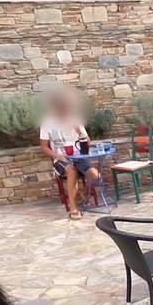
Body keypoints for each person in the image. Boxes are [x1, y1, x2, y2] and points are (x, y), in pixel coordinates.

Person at [39, 88, 100, 220]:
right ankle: (73, 207)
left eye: (66, 106)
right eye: (62, 106)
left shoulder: (75, 119)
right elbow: (43, 147)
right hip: (61, 159)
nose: (64, 109)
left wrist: (79, 131)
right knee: (71, 170)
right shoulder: (47, 123)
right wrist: (56, 155)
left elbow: (88, 143)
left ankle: (85, 193)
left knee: (95, 176)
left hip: (78, 157)